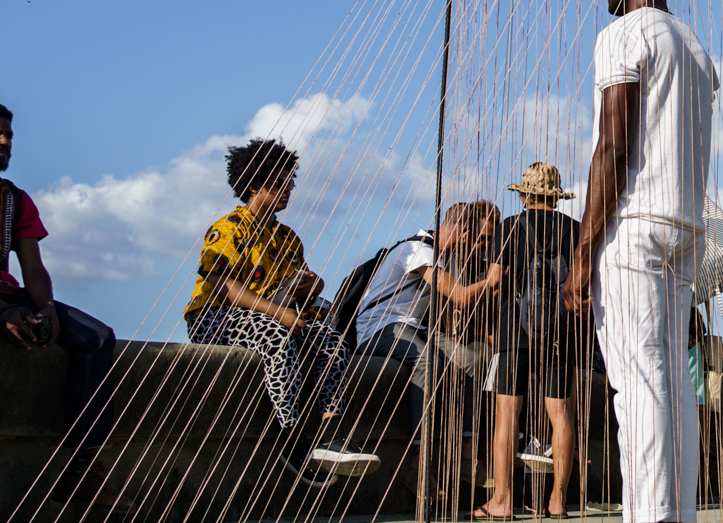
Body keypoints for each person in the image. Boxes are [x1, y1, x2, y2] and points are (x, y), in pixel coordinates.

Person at [560, 0, 718, 523]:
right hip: (685, 228)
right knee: (672, 388)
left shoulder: (625, 34)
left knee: (637, 385)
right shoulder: (695, 47)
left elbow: (613, 148)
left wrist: (581, 250)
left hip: (634, 228)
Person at [0, 102, 130, 523]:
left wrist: (46, 309)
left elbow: (32, 267)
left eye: (8, 135)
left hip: (4, 291)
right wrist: (0, 313)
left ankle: (82, 470)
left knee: (96, 337)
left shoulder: (15, 198)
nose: (3, 142)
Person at [184, 139, 379, 477]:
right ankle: (289, 437)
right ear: (253, 185)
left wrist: (312, 286)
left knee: (330, 342)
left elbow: (299, 289)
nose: (286, 190)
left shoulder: (288, 238)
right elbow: (222, 285)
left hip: (272, 315)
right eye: (277, 184)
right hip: (214, 318)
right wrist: (278, 313)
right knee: (277, 335)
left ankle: (331, 433)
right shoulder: (228, 227)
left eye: (288, 182)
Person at [470, 162, 585, 521]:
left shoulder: (510, 227)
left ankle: (502, 500)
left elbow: (492, 282)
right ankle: (557, 500)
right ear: (556, 196)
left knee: (508, 411)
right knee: (560, 412)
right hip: (561, 330)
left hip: (513, 328)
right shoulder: (575, 229)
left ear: (522, 194)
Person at [350, 199, 502, 459]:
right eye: (479, 240)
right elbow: (461, 296)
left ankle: (467, 454)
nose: (481, 247)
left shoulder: (448, 260)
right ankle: (419, 457)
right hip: (378, 327)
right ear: (465, 234)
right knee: (427, 361)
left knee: (473, 362)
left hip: (414, 327)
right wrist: (490, 280)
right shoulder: (417, 250)